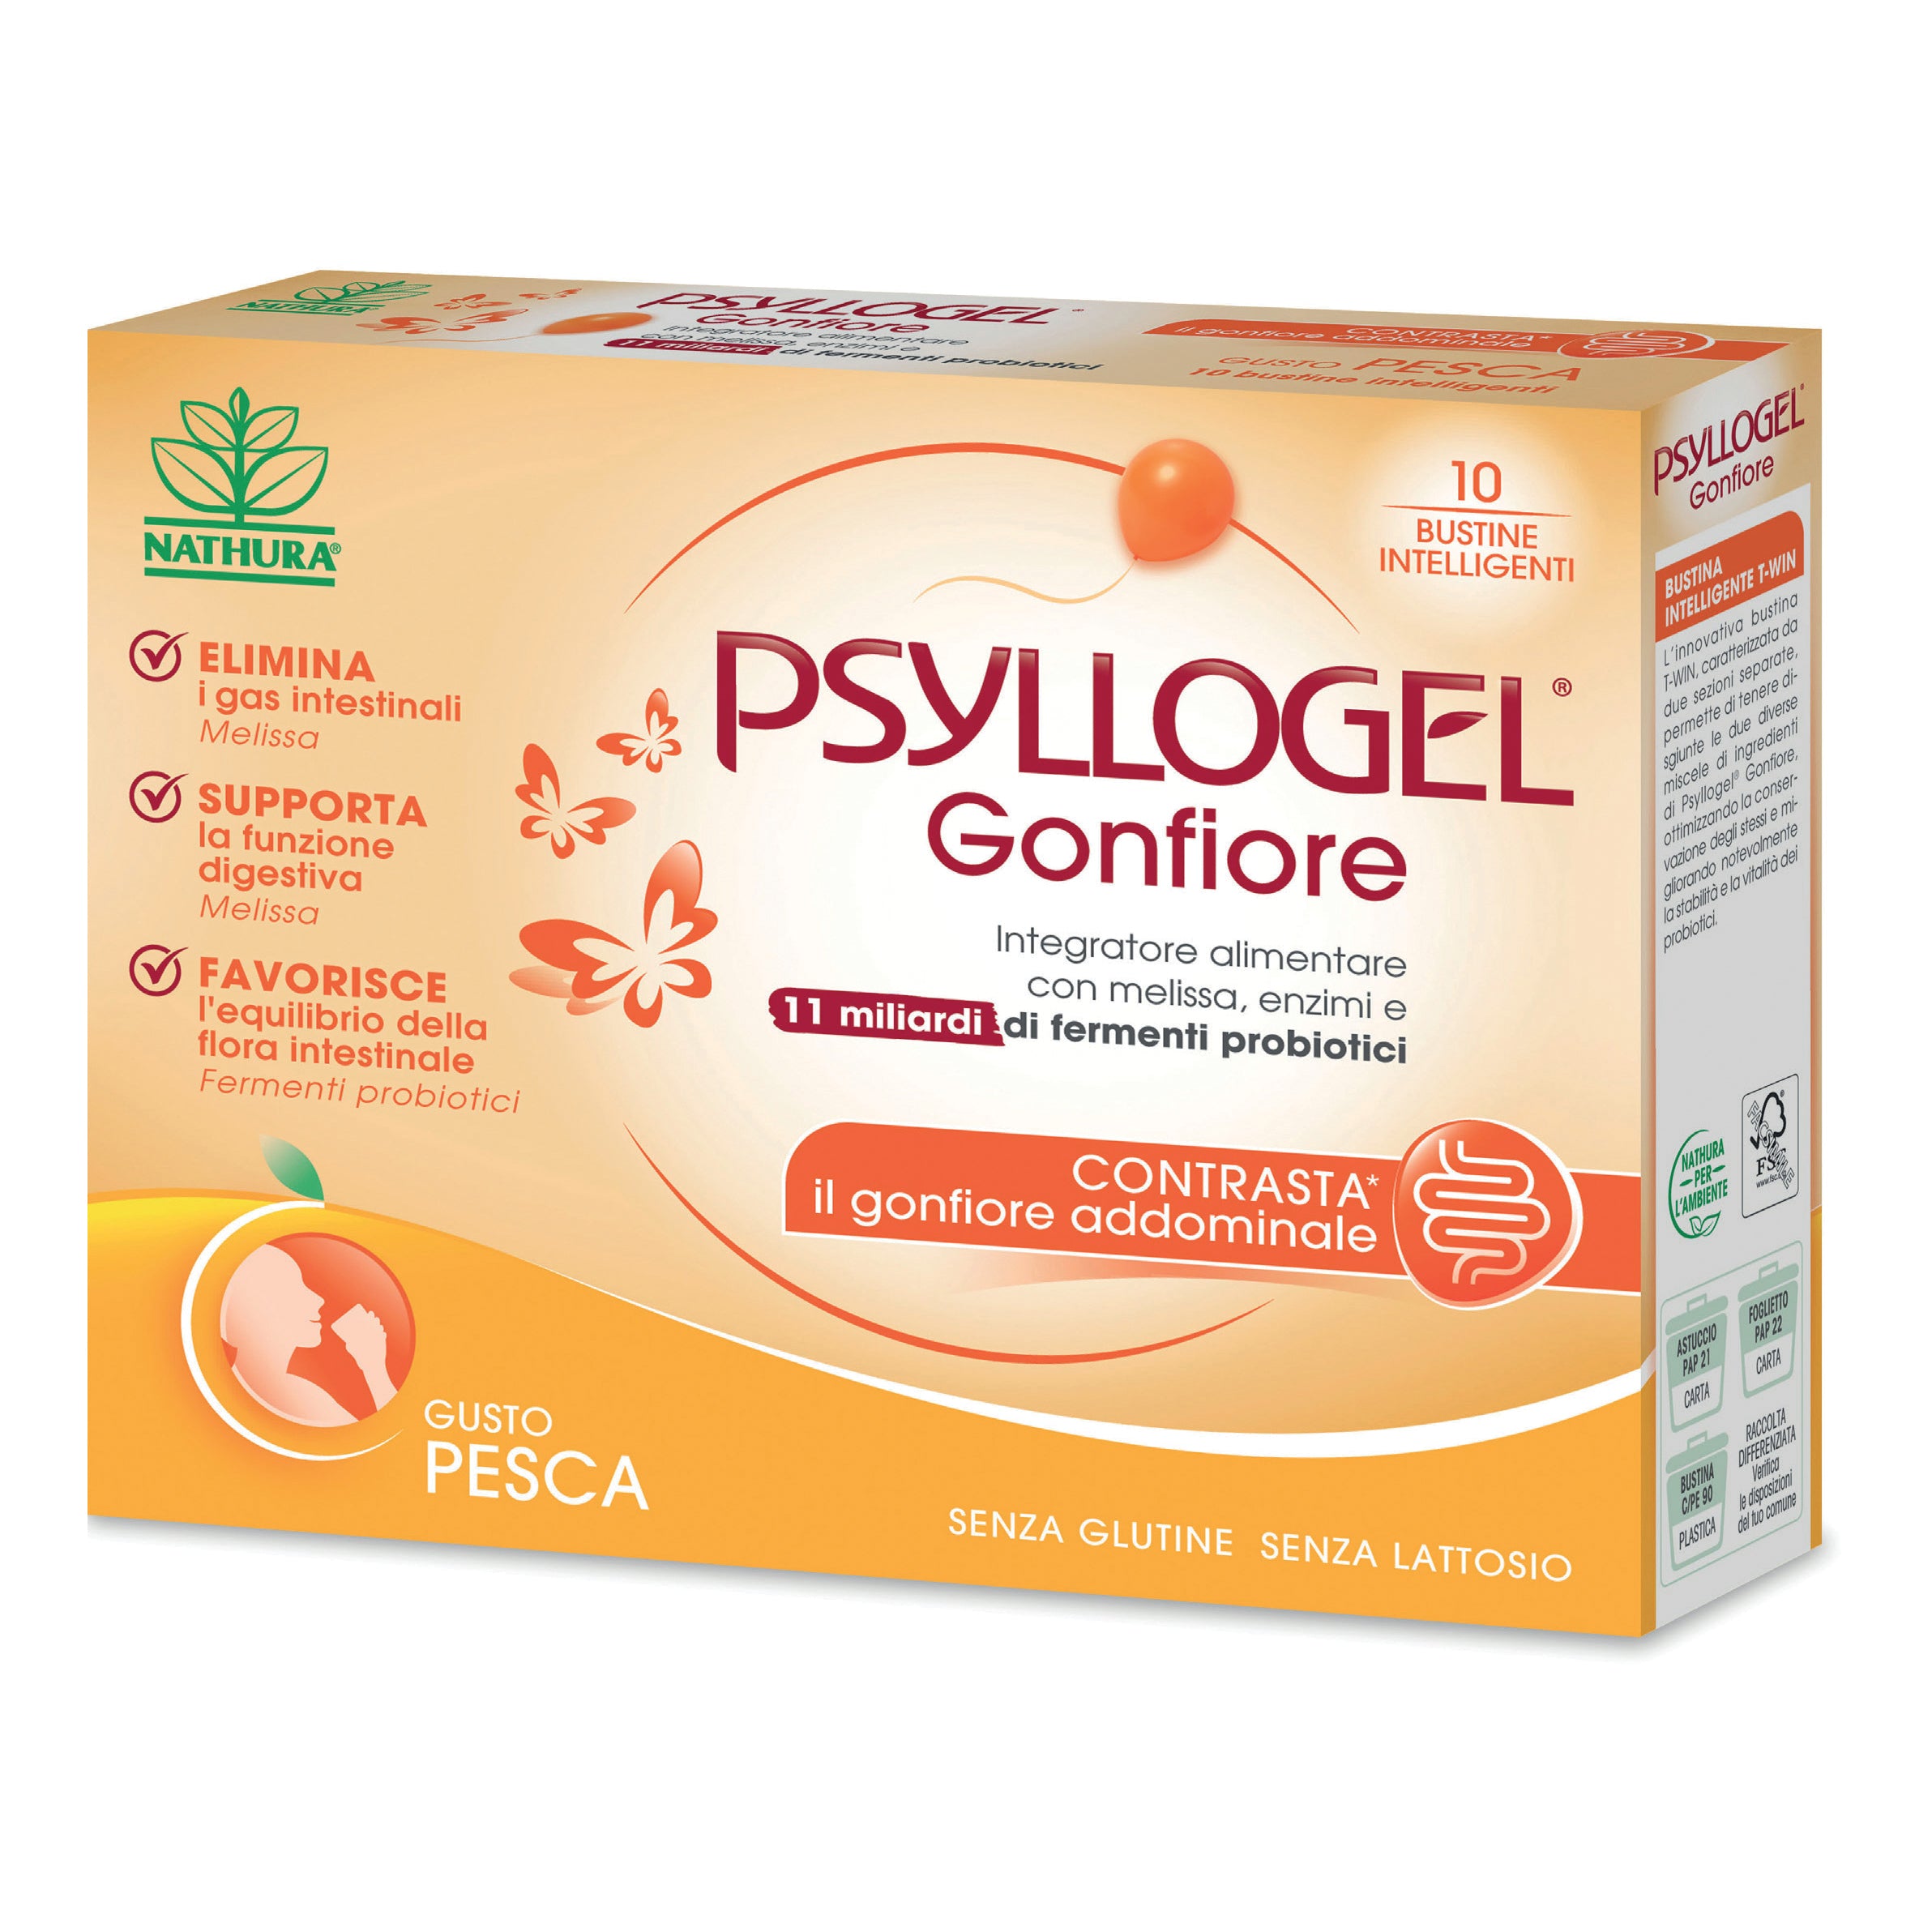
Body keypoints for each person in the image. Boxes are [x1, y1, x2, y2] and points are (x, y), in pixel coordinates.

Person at [219, 1242, 396, 1426]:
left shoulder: (292, 1389)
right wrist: (375, 1368)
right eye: (296, 1288)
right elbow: (389, 1440)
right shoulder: (293, 1397)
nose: (319, 1300)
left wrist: (372, 1363)